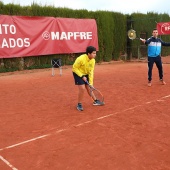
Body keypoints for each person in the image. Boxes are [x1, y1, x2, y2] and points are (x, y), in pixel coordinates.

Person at [72, 46, 104, 111]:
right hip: (77, 73)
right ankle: (79, 104)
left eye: (95, 53)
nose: (95, 55)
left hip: (86, 73)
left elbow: (91, 72)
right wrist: (81, 76)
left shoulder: (93, 60)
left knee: (89, 87)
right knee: (82, 88)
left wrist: (91, 83)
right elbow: (74, 68)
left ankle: (95, 101)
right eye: (93, 53)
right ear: (89, 54)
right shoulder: (80, 59)